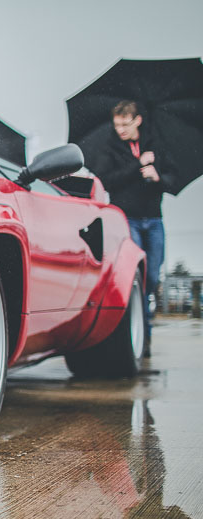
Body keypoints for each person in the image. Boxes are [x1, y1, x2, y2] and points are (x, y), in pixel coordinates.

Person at [89, 100, 177, 355]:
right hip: (127, 219)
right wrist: (137, 164)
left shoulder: (156, 145)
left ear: (137, 120)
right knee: (135, 276)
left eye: (125, 124)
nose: (120, 130)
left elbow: (173, 179)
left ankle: (144, 329)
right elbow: (106, 180)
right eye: (117, 125)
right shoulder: (110, 147)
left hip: (154, 218)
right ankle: (139, 339)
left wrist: (157, 176)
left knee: (152, 278)